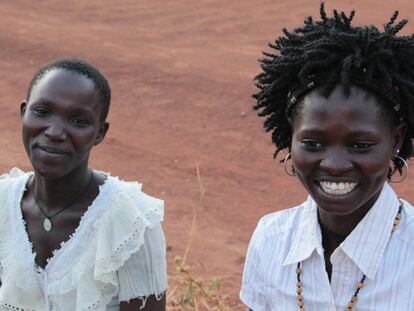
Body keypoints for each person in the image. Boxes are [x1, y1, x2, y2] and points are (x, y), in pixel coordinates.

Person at [240, 4, 414, 310]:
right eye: (313, 142)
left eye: (360, 145)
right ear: (290, 138)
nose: (334, 164)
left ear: (395, 141)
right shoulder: (270, 241)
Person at [0, 59, 167, 310]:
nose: (55, 132)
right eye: (42, 111)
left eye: (79, 121)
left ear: (100, 132)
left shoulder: (130, 223)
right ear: (24, 113)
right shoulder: (3, 205)